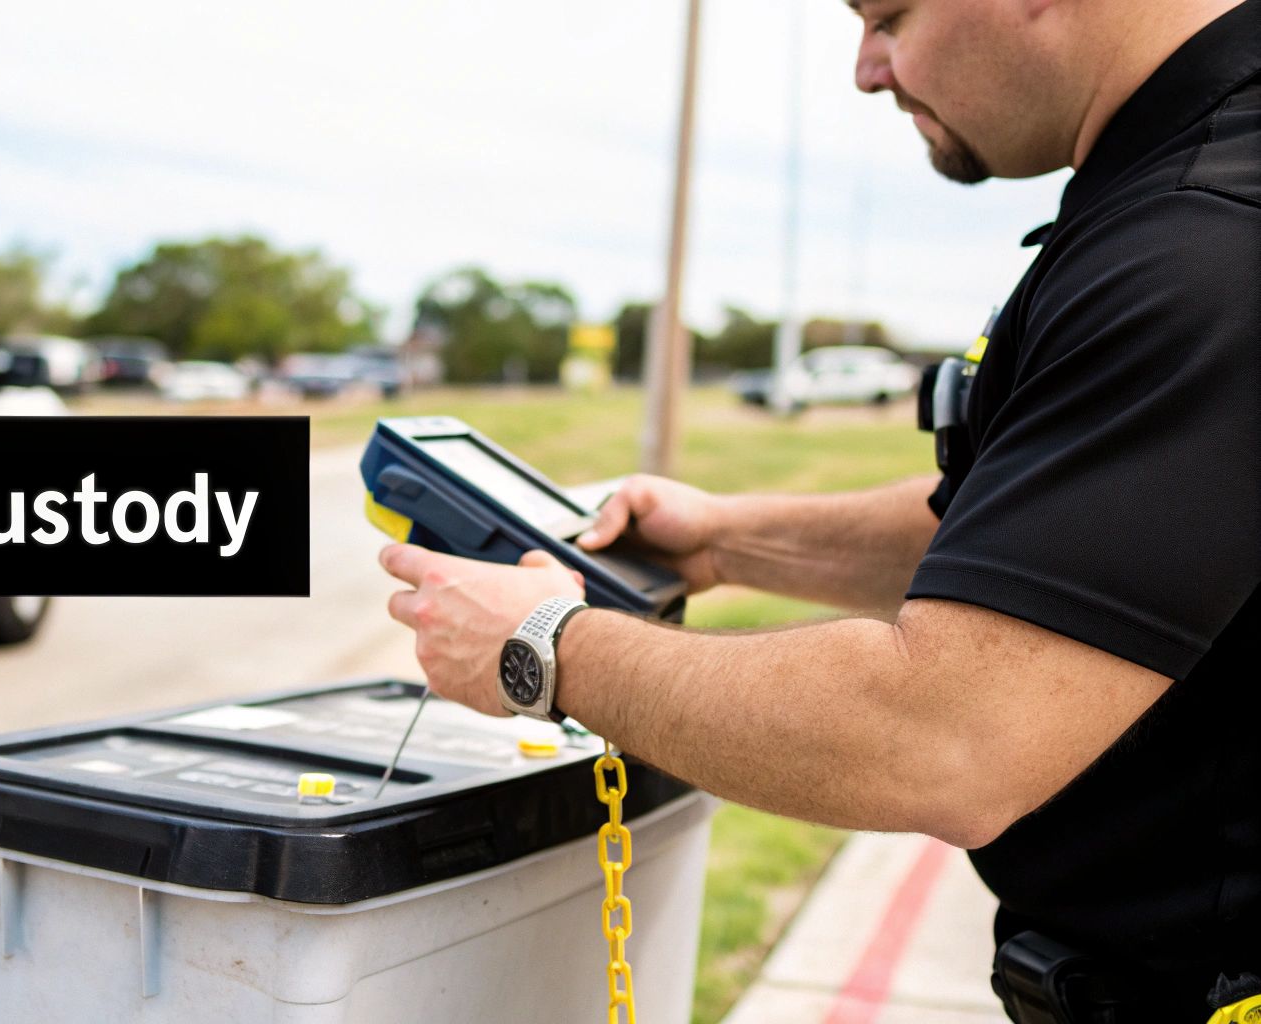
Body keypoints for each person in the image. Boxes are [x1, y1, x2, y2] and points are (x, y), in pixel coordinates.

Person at [378, 0, 1260, 1018]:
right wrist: (723, 539)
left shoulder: (1205, 241)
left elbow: (942, 733)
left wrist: (543, 646)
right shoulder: (1170, 190)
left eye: (887, 14)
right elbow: (1051, 554)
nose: (864, 69)